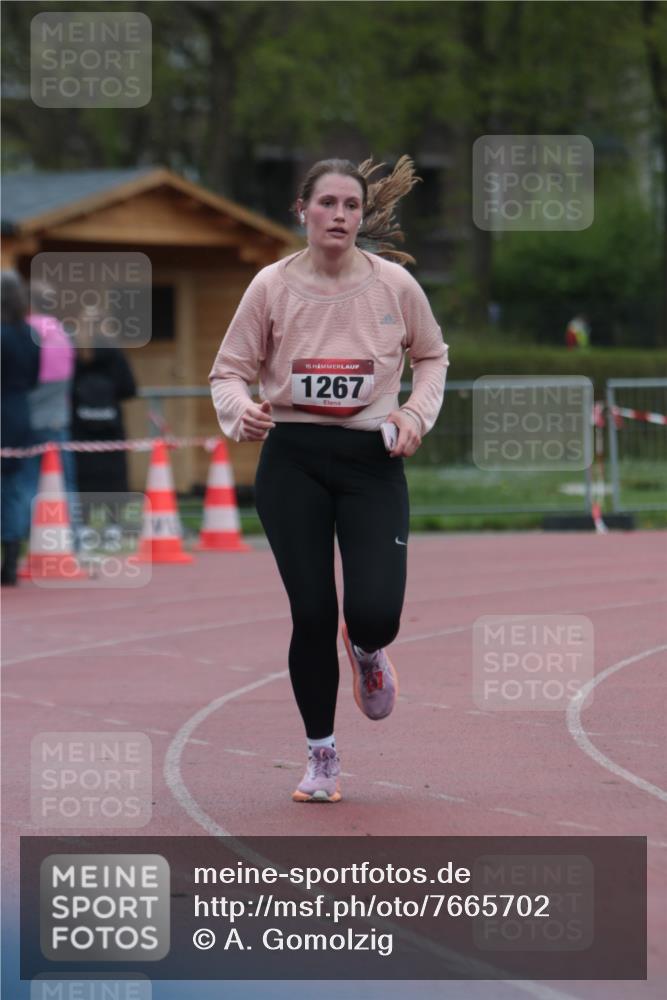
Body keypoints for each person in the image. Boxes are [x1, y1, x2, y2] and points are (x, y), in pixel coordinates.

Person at [209, 156, 449, 803]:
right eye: (327, 203)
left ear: (361, 216)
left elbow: (431, 355)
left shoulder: (394, 285)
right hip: (293, 459)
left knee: (374, 613)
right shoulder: (270, 285)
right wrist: (240, 410)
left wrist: (413, 414)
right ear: (302, 211)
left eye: (350, 205)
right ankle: (322, 756)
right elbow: (227, 371)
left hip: (372, 460)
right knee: (312, 613)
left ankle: (367, 648)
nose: (339, 215)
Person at [1, 271, 40, 585]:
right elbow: (34, 378)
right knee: (14, 488)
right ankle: (11, 562)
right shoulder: (29, 334)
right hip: (19, 412)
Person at [23, 281, 77, 502]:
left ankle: (25, 523)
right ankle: (72, 522)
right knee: (65, 482)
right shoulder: (62, 333)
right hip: (58, 418)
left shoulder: (24, 331)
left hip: (28, 419)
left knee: (26, 482)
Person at [71, 321, 137, 499]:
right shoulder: (115, 354)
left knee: (83, 479)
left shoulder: (76, 354)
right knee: (113, 480)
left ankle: (83, 515)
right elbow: (129, 388)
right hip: (111, 429)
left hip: (80, 430)